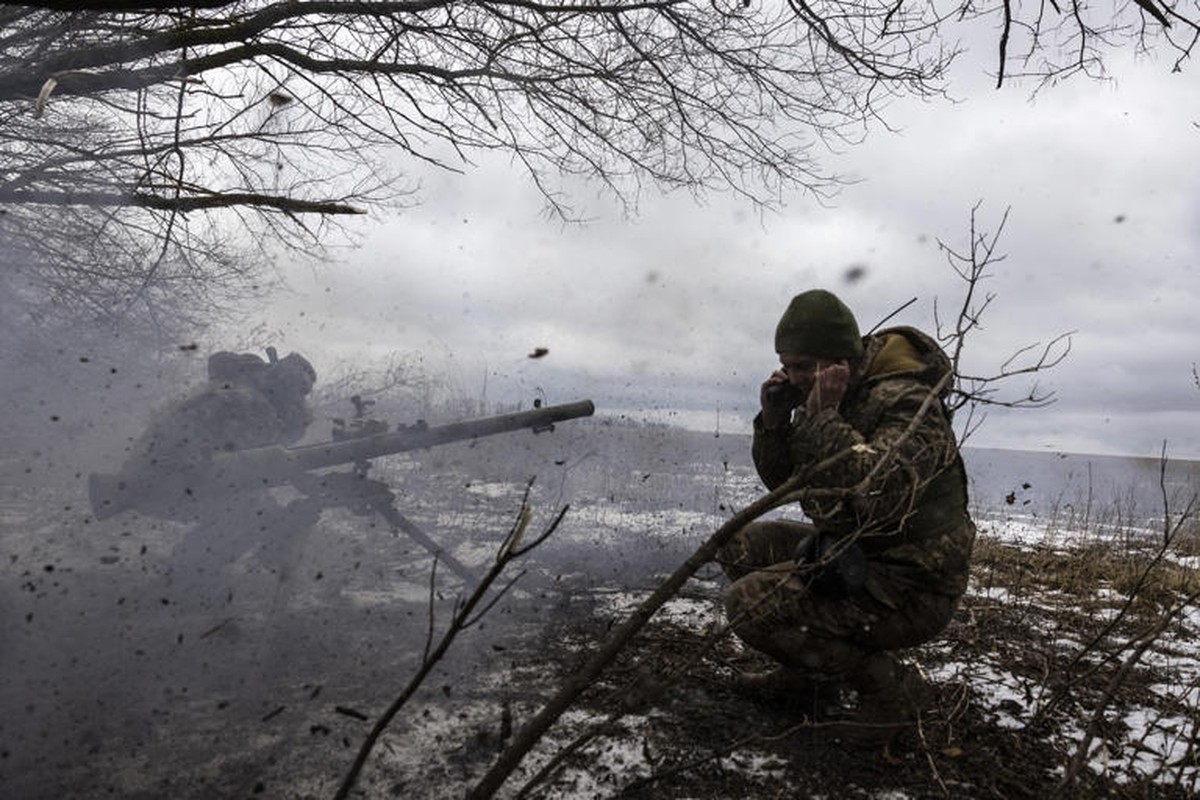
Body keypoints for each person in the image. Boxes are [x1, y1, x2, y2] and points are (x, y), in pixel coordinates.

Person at [719, 289, 976, 737]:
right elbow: (785, 483)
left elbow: (878, 492)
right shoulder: (832, 394)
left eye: (803, 366)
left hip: (914, 581)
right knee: (739, 546)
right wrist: (775, 424)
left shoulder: (907, 401)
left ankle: (893, 692)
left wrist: (820, 417)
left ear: (840, 360)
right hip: (855, 552)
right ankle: (809, 679)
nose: (793, 377)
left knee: (750, 605)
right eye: (787, 364)